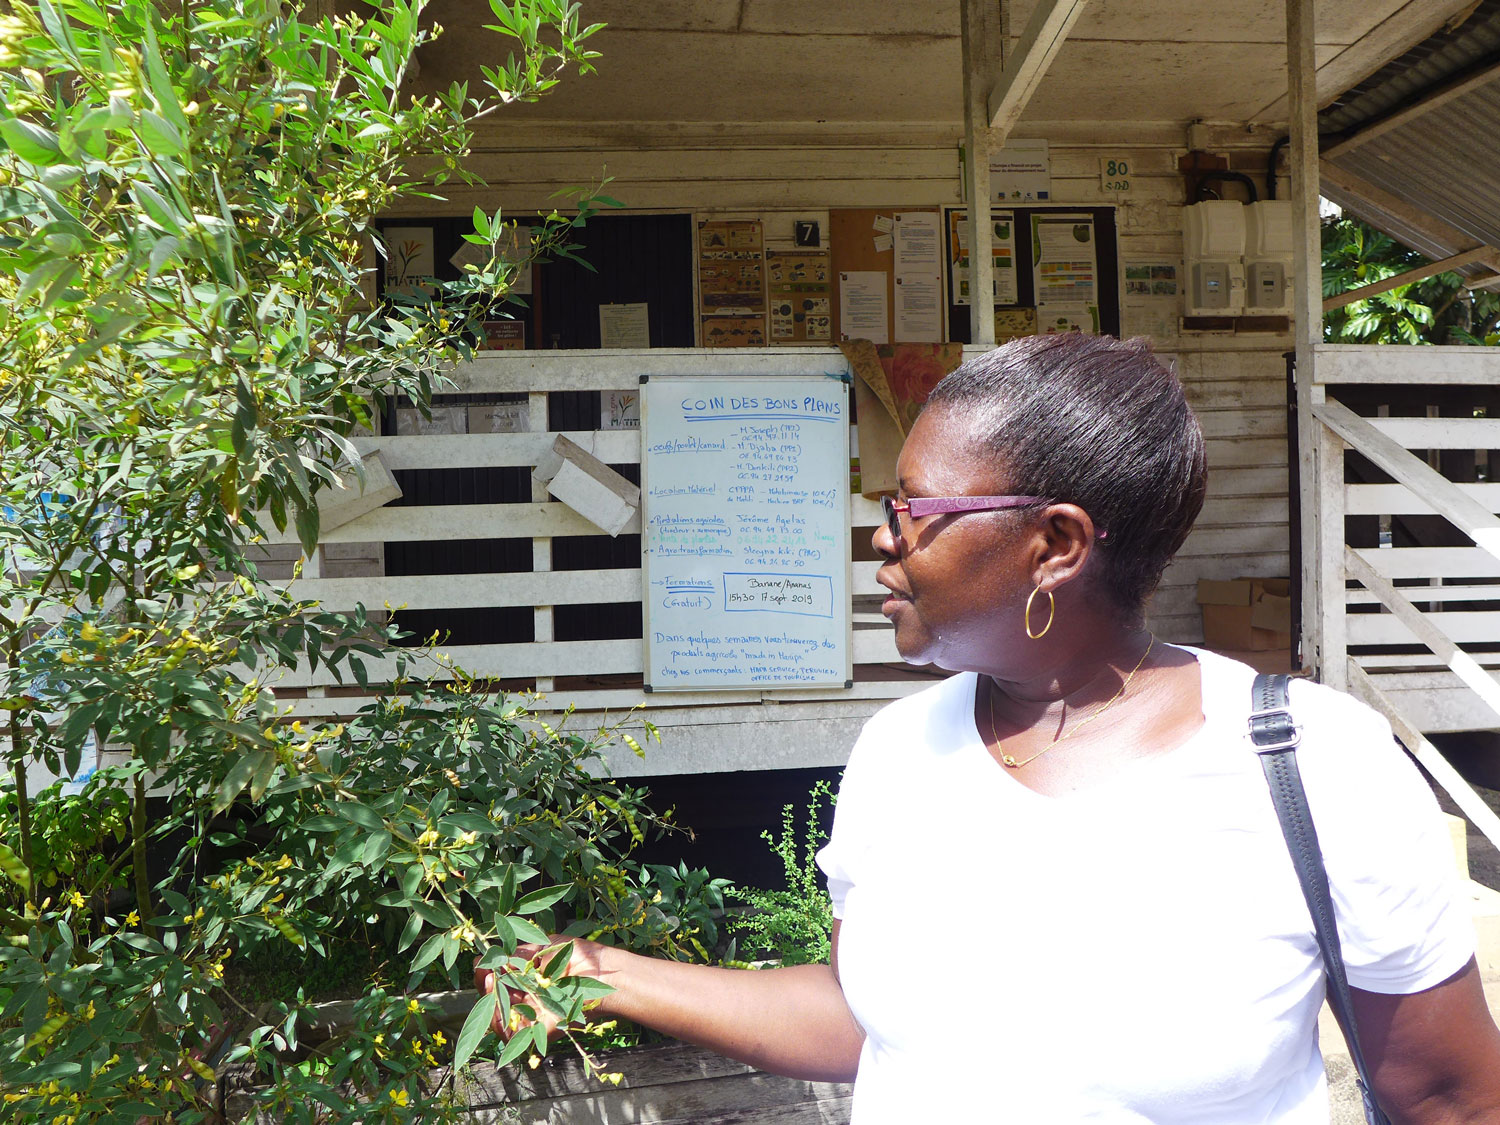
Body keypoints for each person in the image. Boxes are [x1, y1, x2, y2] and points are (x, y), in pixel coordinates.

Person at [477, 334, 1500, 1122]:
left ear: (1055, 543)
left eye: (913, 509)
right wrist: (605, 974)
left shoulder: (1313, 765)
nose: (881, 538)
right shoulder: (898, 752)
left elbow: (1451, 1100)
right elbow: (872, 1018)